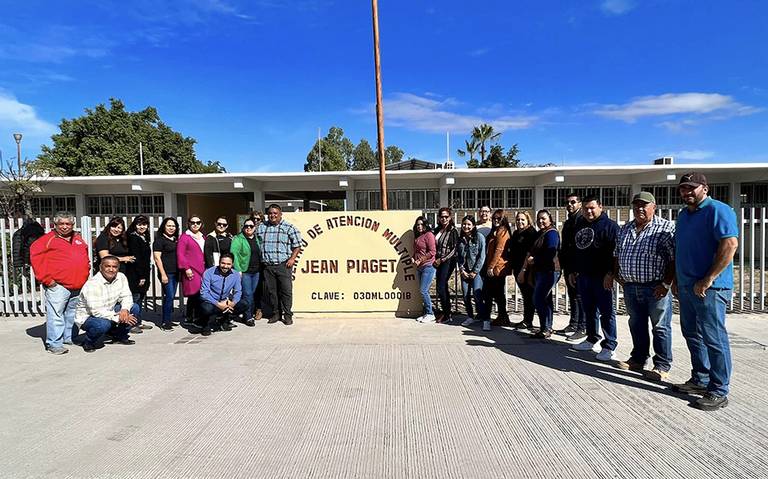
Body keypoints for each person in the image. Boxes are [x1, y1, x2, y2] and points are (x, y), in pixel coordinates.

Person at [672, 172, 738, 411]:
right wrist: (678, 280)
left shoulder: (718, 210)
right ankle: (701, 379)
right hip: (687, 285)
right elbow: (682, 248)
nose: (687, 192)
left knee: (714, 338)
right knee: (692, 334)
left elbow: (730, 245)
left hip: (710, 288)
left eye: (692, 188)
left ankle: (719, 390)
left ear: (705, 189)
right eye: (683, 188)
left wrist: (709, 277)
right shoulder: (684, 215)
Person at [612, 192, 675, 381]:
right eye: (637, 205)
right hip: (631, 286)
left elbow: (673, 259)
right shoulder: (626, 228)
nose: (640, 208)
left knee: (660, 327)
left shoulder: (664, 228)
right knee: (636, 324)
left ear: (653, 207)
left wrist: (666, 284)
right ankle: (638, 359)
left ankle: (662, 365)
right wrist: (619, 277)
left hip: (656, 287)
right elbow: (617, 253)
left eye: (644, 205)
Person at [30, 211, 90, 355]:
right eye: (61, 224)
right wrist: (47, 280)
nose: (64, 227)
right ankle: (54, 343)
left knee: (71, 314)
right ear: (55, 225)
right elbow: (35, 259)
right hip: (58, 285)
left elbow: (85, 257)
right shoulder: (47, 240)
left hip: (77, 284)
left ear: (72, 224)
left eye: (67, 224)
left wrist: (86, 271)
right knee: (56, 315)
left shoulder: (78, 239)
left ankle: (68, 337)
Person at [569, 196, 620, 361]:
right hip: (584, 276)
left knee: (606, 312)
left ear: (600, 207)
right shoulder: (580, 225)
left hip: (602, 277)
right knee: (589, 310)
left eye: (592, 208)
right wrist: (573, 270)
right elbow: (576, 250)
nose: (588, 211)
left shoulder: (610, 226)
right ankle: (592, 338)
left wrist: (610, 273)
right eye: (585, 208)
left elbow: (616, 254)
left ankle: (609, 345)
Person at [75, 256, 139, 352]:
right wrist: (120, 317)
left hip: (109, 310)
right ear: (101, 267)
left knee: (134, 307)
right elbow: (96, 311)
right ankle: (88, 342)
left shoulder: (121, 277)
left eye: (114, 267)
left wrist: (125, 310)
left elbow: (126, 296)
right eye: (107, 266)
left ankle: (119, 337)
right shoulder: (93, 284)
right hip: (89, 317)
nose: (111, 269)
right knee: (103, 324)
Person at [256, 204, 302, 325]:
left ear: (280, 214)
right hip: (268, 266)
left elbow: (297, 245)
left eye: (275, 213)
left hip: (283, 265)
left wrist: (292, 259)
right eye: (271, 213)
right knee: (272, 292)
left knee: (286, 291)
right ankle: (276, 313)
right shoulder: (261, 227)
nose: (273, 215)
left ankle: (287, 315)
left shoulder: (289, 227)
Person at [521, 210, 561, 338]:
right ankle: (546, 328)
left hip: (549, 271)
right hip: (540, 270)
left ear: (550, 219)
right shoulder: (541, 233)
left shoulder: (552, 234)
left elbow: (550, 253)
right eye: (538, 219)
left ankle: (545, 327)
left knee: (538, 298)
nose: (540, 221)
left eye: (543, 218)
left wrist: (535, 260)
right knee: (545, 299)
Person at [555, 193, 587, 340]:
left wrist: (577, 268)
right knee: (573, 296)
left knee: (580, 297)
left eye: (573, 202)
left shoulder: (582, 221)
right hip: (568, 264)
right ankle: (573, 323)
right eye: (567, 202)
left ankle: (582, 327)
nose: (570, 205)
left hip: (579, 265)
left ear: (579, 204)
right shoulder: (569, 222)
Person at [198, 253, 249, 336]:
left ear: (232, 264)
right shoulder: (208, 272)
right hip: (211, 301)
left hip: (225, 300)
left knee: (244, 304)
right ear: (219, 262)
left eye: (228, 264)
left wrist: (233, 303)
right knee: (206, 308)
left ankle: (224, 320)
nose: (225, 266)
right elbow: (204, 293)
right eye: (223, 263)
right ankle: (205, 324)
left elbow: (238, 291)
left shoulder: (235, 274)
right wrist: (218, 304)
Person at [509, 211, 538, 330]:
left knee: (528, 295)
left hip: (526, 270)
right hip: (517, 268)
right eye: (518, 220)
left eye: (522, 220)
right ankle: (526, 319)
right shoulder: (516, 233)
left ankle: (528, 321)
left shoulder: (531, 233)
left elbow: (529, 253)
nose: (519, 222)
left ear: (528, 220)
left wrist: (523, 270)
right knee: (525, 295)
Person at [230, 216, 262, 326]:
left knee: (252, 294)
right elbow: (234, 254)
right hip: (245, 271)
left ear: (255, 227)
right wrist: (238, 270)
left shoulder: (257, 239)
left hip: (256, 271)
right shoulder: (238, 239)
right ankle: (248, 317)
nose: (248, 228)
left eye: (251, 226)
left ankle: (247, 313)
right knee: (247, 294)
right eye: (246, 226)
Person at [483, 210, 511, 331]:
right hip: (494, 267)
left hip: (497, 268)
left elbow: (499, 251)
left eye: (498, 218)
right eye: (494, 218)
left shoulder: (502, 232)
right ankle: (502, 317)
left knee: (491, 294)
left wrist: (491, 267)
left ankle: (489, 319)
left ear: (503, 219)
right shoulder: (495, 231)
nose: (495, 220)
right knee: (497, 294)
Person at [457, 216, 487, 327]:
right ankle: (470, 316)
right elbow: (458, 256)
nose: (466, 226)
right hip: (464, 271)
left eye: (469, 224)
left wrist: (475, 271)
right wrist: (461, 269)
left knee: (477, 294)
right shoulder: (461, 239)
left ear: (473, 225)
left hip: (476, 272)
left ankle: (484, 318)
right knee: (465, 295)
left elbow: (482, 256)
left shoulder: (479, 237)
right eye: (464, 224)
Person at [177, 215, 206, 325]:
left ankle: (195, 316)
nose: (195, 224)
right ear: (188, 223)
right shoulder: (185, 237)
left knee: (200, 293)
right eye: (193, 222)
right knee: (194, 294)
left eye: (198, 222)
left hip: (202, 269)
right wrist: (186, 268)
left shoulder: (203, 237)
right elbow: (180, 254)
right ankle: (191, 317)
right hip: (191, 269)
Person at [125, 215, 152, 332]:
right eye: (139, 224)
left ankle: (138, 321)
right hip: (135, 274)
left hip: (144, 272)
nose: (142, 227)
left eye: (144, 224)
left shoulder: (144, 237)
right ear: (135, 225)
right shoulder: (133, 238)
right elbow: (137, 259)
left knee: (140, 298)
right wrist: (141, 276)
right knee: (135, 299)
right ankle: (131, 324)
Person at [153, 217, 180, 331]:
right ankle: (165, 322)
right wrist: (163, 274)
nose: (171, 228)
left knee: (171, 296)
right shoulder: (159, 240)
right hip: (166, 273)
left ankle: (168, 319)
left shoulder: (175, 239)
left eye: (173, 226)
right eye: (169, 225)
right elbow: (157, 258)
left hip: (176, 272)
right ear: (164, 226)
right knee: (168, 296)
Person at [433, 207, 459, 323]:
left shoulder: (452, 231)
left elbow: (454, 249)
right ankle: (446, 311)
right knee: (440, 286)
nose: (443, 219)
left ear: (450, 217)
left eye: (446, 217)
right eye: (441, 216)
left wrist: (442, 260)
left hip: (447, 261)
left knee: (441, 286)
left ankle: (447, 313)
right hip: (438, 261)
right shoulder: (437, 229)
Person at [412, 216, 436, 323]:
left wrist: (420, 260)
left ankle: (431, 314)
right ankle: (426, 313)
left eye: (421, 224)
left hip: (428, 266)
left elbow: (432, 252)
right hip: (420, 267)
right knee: (422, 291)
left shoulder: (429, 235)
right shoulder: (418, 236)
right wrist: (413, 257)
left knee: (423, 290)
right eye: (418, 224)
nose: (419, 226)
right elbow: (417, 251)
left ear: (426, 225)